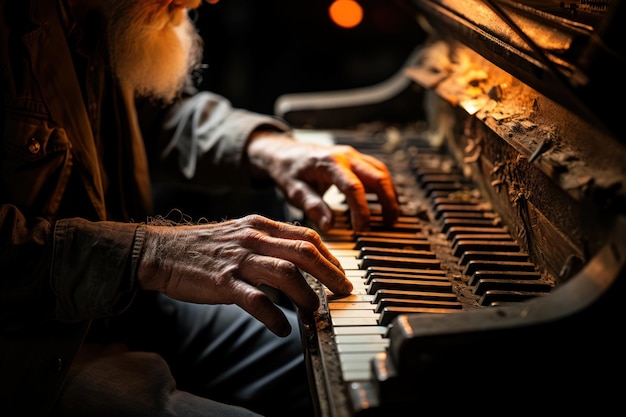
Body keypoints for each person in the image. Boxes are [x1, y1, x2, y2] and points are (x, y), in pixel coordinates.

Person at [0, 0, 400, 416]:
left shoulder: (91, 12)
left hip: (126, 304)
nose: (203, 1)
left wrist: (263, 147)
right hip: (25, 349)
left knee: (372, 378)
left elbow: (156, 115)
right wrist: (152, 254)